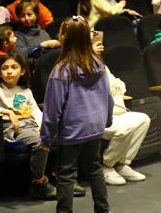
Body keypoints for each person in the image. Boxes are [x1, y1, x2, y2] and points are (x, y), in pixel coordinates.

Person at [40, 17, 114, 213]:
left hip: (72, 130)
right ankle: (102, 210)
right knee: (95, 169)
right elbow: (108, 97)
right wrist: (107, 120)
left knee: (66, 175)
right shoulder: (98, 64)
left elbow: (52, 109)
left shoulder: (61, 70)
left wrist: (46, 137)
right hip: (95, 127)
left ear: (65, 38)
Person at [0, 53, 55, 199]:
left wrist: (43, 126)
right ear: (0, 73)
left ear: (23, 71)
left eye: (14, 67)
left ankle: (59, 176)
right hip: (13, 129)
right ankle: (39, 182)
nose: (9, 71)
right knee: (41, 141)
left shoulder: (25, 90)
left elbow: (37, 113)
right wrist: (5, 111)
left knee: (59, 132)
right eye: (5, 68)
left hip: (31, 126)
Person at [90, 34, 151, 186]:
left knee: (144, 119)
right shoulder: (79, 66)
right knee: (126, 128)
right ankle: (107, 165)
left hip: (117, 111)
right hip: (96, 117)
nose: (100, 46)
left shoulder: (102, 65)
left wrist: (114, 87)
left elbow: (119, 84)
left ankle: (123, 163)